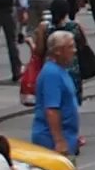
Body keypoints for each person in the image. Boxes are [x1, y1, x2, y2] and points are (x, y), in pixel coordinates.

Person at [34, 29, 84, 158]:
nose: (74, 50)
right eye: (70, 47)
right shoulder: (52, 74)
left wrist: (73, 135)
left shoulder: (61, 70)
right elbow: (51, 110)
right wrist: (59, 141)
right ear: (57, 50)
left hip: (66, 135)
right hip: (50, 140)